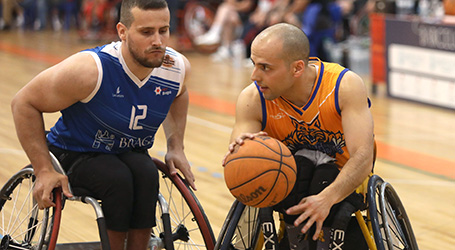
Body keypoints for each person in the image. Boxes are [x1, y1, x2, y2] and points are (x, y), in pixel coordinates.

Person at [11, 0, 196, 249]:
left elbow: (180, 93)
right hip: (74, 151)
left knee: (147, 174)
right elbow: (23, 102)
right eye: (146, 32)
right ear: (122, 31)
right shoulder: (90, 69)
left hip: (124, 150)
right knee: (117, 179)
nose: (158, 41)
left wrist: (176, 146)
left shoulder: (176, 67)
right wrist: (43, 169)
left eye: (163, 30)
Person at [223, 23, 374, 249]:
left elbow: (363, 157)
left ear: (297, 68)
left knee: (322, 179)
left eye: (266, 67)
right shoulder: (253, 99)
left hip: (341, 178)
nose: (255, 75)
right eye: (254, 64)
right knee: (260, 191)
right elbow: (242, 160)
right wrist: (240, 151)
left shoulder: (344, 86)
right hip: (289, 179)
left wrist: (327, 197)